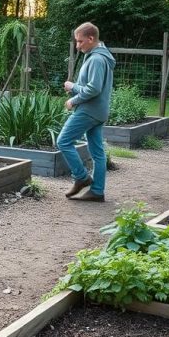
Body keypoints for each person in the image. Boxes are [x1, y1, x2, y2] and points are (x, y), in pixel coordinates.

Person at [57, 22, 115, 202]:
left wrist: (73, 95)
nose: (77, 45)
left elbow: (94, 88)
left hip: (89, 111)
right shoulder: (98, 55)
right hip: (99, 111)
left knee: (63, 141)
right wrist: (74, 87)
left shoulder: (97, 59)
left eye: (80, 41)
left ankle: (81, 178)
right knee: (98, 153)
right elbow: (93, 87)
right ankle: (97, 192)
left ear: (91, 39)